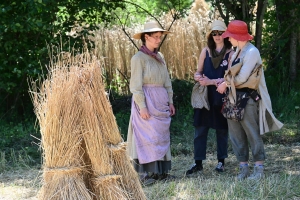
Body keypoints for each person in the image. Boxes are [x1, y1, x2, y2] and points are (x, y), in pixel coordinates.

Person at [217, 20, 283, 180]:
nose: (228, 39)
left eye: (230, 36)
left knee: (252, 133)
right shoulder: (236, 52)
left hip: (248, 99)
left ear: (236, 36)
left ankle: (259, 169)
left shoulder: (252, 52)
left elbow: (241, 78)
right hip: (233, 98)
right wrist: (227, 82)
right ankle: (243, 169)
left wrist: (225, 83)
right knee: (236, 134)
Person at [126, 21, 176, 185]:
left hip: (161, 102)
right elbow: (135, 86)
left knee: (160, 136)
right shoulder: (138, 58)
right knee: (146, 136)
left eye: (159, 37)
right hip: (147, 102)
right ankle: (144, 175)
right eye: (155, 37)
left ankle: (160, 173)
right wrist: (142, 106)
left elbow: (166, 81)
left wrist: (170, 101)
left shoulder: (159, 57)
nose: (158, 40)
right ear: (146, 37)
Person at [186, 20, 233, 176]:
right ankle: (198, 162)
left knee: (221, 130)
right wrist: (198, 77)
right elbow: (198, 72)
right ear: (211, 35)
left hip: (221, 97)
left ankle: (221, 162)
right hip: (204, 96)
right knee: (200, 130)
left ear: (225, 35)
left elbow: (231, 78)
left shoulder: (230, 53)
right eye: (214, 33)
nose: (217, 36)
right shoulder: (205, 51)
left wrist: (211, 81)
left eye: (220, 33)